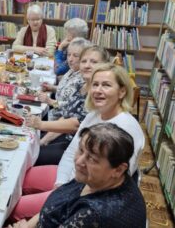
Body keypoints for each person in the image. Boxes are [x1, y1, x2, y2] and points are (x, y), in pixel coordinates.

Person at [11, 63, 144, 220]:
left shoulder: (126, 131)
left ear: (122, 91)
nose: (98, 90)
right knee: (20, 175)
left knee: (15, 208)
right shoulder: (94, 114)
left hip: (84, 191)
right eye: (95, 84)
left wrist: (61, 195)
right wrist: (60, 183)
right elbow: (72, 151)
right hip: (71, 180)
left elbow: (106, 187)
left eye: (106, 85)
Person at [8, 123, 146, 228]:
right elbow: (57, 206)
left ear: (118, 169)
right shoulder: (100, 178)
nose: (79, 162)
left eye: (92, 159)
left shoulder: (95, 214)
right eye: (80, 150)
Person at [26, 45, 109, 166]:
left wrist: (41, 124)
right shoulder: (84, 86)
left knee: (30, 155)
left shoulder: (98, 92)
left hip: (84, 151)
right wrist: (44, 140)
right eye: (84, 61)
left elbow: (75, 124)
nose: (87, 65)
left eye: (94, 62)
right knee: (29, 142)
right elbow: (67, 116)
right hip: (72, 140)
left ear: (104, 66)